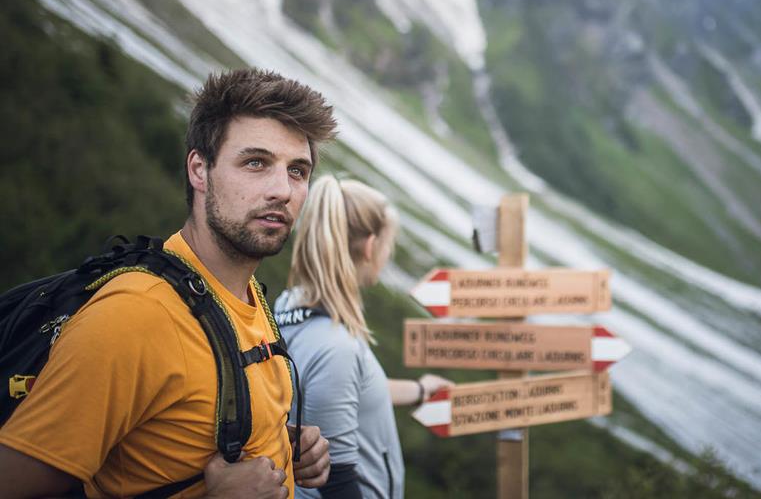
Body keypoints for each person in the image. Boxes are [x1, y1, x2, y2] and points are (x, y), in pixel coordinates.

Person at [0, 68, 338, 498]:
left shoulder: (244, 296)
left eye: (297, 171)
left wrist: (279, 445)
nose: (282, 190)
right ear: (200, 170)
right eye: (256, 162)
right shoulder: (136, 316)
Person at [273, 176, 451, 499]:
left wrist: (420, 390)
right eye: (388, 246)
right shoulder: (335, 348)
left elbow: (343, 393)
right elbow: (338, 484)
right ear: (370, 247)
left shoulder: (291, 302)